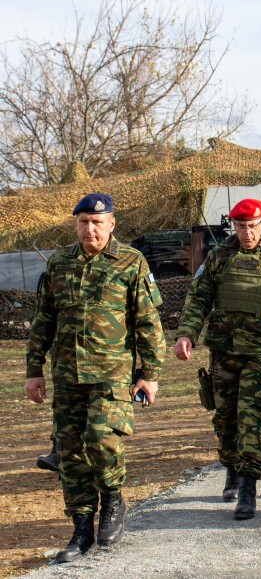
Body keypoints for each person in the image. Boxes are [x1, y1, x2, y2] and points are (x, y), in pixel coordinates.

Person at [25, 193, 166, 564]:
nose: (90, 229)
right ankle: (81, 528)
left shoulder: (130, 262)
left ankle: (114, 500)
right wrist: (33, 371)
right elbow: (43, 321)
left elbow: (148, 323)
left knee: (101, 442)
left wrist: (150, 375)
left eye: (97, 222)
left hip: (112, 375)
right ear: (76, 224)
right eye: (84, 222)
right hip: (67, 377)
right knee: (70, 456)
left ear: (111, 224)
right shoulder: (59, 264)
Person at [174, 198, 261, 520]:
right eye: (241, 227)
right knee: (225, 419)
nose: (247, 233)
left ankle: (248, 486)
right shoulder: (218, 258)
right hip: (224, 352)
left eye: (252, 226)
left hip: (259, 353)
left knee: (252, 419)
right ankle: (230, 465)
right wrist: (186, 334)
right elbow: (197, 299)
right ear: (234, 226)